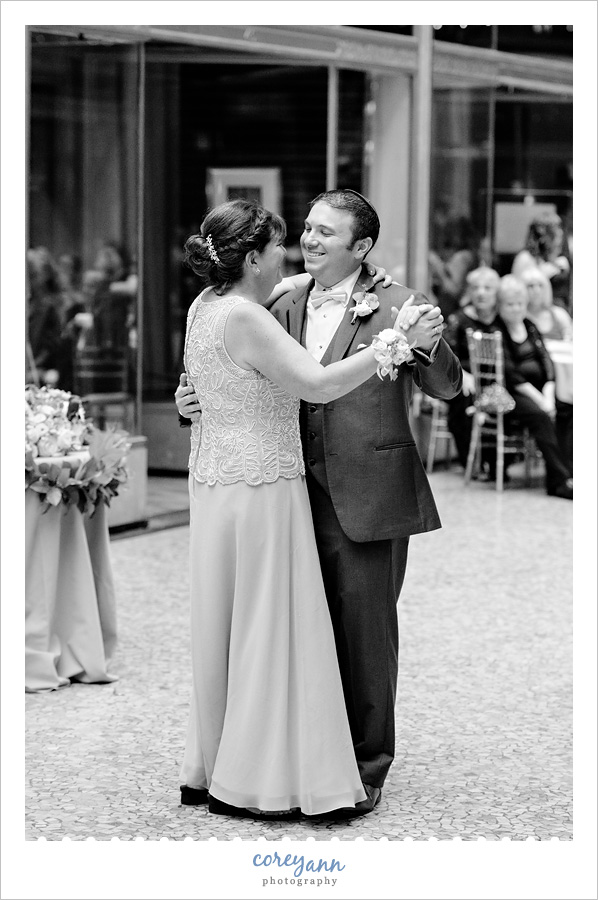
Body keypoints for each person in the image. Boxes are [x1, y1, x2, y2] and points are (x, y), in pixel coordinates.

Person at [177, 189, 463, 817]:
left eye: (324, 234)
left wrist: (424, 340)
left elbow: (447, 386)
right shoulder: (277, 296)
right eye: (305, 229)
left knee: (366, 636)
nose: (308, 241)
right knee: (300, 632)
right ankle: (308, 754)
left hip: (366, 489)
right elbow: (223, 361)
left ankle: (366, 766)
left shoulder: (401, 302)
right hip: (284, 486)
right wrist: (187, 396)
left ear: (362, 247)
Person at [496, 275, 573, 500]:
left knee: (566, 407)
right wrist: (541, 400)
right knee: (541, 415)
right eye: (510, 304)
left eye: (520, 303)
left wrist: (548, 392)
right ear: (501, 305)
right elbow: (511, 374)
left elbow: (546, 361)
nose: (516, 308)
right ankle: (562, 480)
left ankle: (560, 477)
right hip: (514, 393)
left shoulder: (529, 326)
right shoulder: (498, 330)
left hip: (541, 390)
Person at [444, 266, 502, 471]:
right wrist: (463, 374)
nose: (481, 293)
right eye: (476, 288)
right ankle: (472, 462)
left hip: (494, 381)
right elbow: (446, 355)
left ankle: (496, 463)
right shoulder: (458, 319)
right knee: (465, 396)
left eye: (487, 288)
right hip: (462, 379)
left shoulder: (501, 320)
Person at [511, 210, 571, 312]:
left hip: (557, 312)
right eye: (555, 230)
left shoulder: (558, 257)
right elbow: (516, 292)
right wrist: (542, 274)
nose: (560, 233)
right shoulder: (525, 258)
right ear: (542, 235)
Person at [428, 215, 482, 319]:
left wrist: (437, 265)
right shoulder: (469, 254)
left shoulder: (462, 257)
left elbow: (452, 290)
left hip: (453, 312)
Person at [520, 267, 573, 341]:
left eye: (540, 285)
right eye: (531, 286)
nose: (536, 290)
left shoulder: (559, 314)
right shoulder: (518, 317)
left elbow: (570, 343)